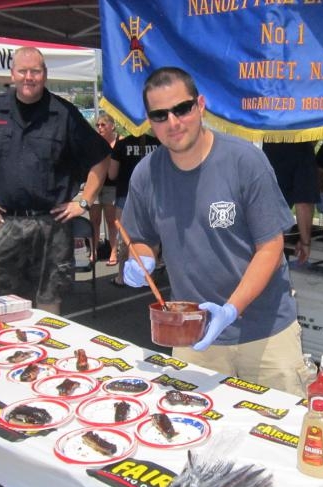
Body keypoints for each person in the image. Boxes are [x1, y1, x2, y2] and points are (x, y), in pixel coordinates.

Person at [121, 66, 306, 396]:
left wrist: (231, 309)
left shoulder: (244, 162)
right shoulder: (146, 174)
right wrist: (142, 259)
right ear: (150, 121)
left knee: (281, 436)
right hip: (192, 335)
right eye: (160, 115)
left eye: (182, 108)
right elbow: (141, 238)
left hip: (266, 333)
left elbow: (271, 246)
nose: (174, 123)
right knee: (196, 435)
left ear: (200, 105)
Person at [0, 46, 111, 315]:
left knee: (49, 302)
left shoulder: (63, 113)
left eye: (36, 71)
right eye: (23, 71)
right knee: (2, 305)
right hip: (6, 223)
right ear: (12, 74)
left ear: (45, 74)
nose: (29, 77)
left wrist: (84, 202)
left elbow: (101, 158)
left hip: (51, 225)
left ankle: (45, 354)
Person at [108, 132, 160, 286]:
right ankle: (148, 277)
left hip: (126, 195)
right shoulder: (158, 143)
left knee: (125, 239)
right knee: (152, 240)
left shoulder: (122, 145)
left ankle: (121, 277)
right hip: (153, 196)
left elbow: (112, 174)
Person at [262, 141, 319, 264]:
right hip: (268, 233)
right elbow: (304, 204)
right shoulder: (303, 150)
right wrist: (305, 241)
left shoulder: (266, 138)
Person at [90, 113, 119, 266]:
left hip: (111, 186)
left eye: (103, 125)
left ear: (112, 126)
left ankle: (114, 250)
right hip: (95, 185)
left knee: (111, 220)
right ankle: (94, 250)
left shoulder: (119, 143)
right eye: (98, 125)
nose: (100, 128)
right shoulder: (93, 143)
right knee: (94, 220)